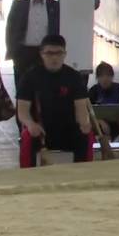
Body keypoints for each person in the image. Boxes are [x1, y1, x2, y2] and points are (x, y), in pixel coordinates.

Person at [17, 34, 91, 166]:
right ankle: (28, 175)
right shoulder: (29, 77)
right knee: (28, 137)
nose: (54, 57)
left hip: (68, 128)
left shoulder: (74, 77)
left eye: (59, 53)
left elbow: (81, 108)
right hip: (40, 129)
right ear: (42, 54)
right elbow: (22, 112)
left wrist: (84, 123)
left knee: (85, 134)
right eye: (49, 53)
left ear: (65, 54)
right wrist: (30, 124)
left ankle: (82, 173)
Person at [6, 0, 60, 132]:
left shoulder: (54, 6)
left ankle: (45, 125)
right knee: (23, 90)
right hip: (24, 53)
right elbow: (10, 28)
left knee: (46, 89)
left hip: (45, 53)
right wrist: (13, 51)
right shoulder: (19, 4)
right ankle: (23, 129)